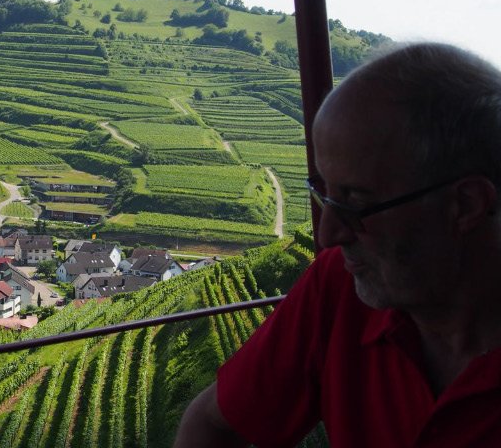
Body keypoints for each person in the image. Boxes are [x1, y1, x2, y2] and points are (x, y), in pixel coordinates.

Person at [174, 42, 501, 447]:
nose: (328, 235)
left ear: (466, 205)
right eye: (324, 195)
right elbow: (213, 424)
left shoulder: (361, 282)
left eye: (356, 203)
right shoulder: (343, 283)